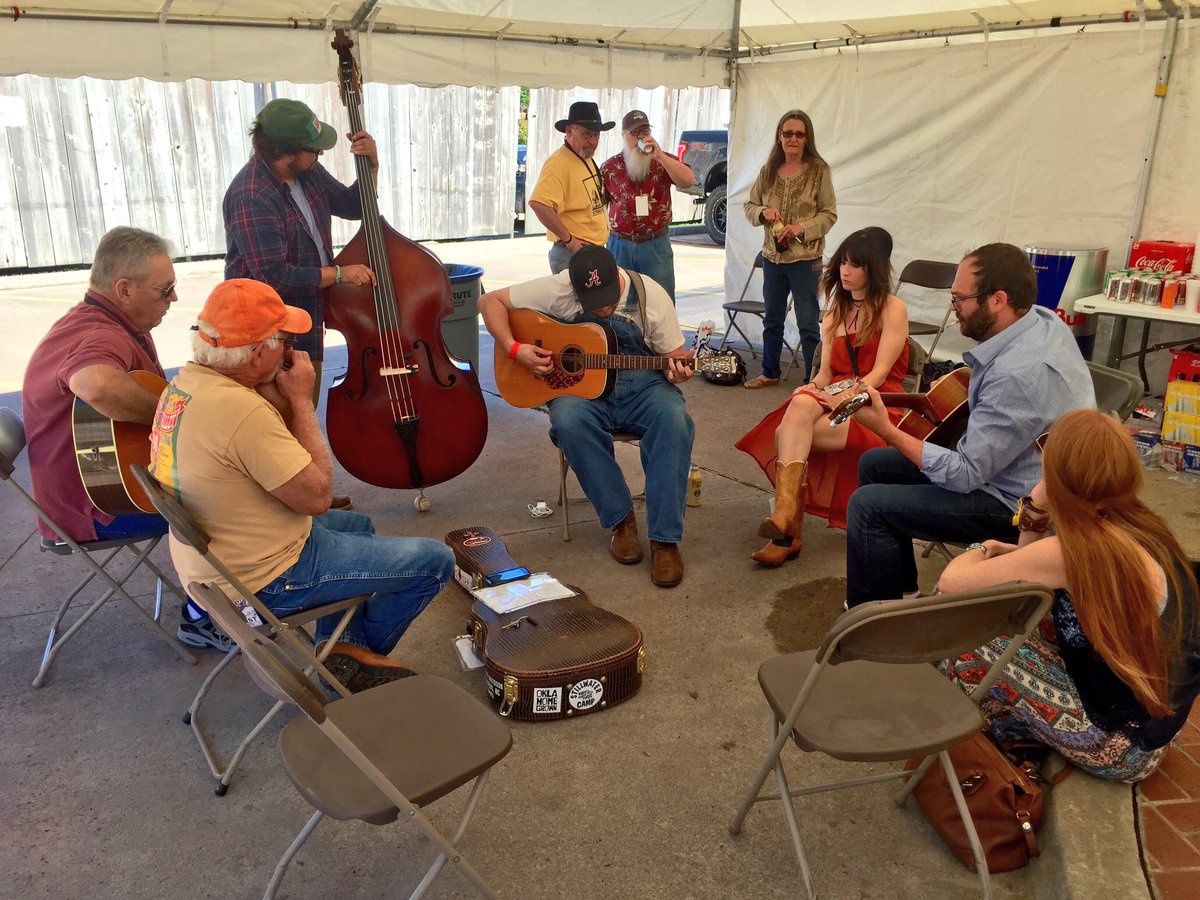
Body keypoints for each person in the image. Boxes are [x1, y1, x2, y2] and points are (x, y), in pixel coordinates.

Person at [149, 278, 454, 690]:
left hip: (216, 569)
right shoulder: (241, 412)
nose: (292, 349)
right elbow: (316, 495)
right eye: (283, 341)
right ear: (258, 352)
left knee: (358, 527)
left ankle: (341, 648)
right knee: (434, 561)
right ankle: (341, 669)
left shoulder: (187, 383)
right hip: (267, 579)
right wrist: (299, 400)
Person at [937, 409, 1200, 782]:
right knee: (1016, 621)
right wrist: (1034, 515)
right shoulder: (1139, 525)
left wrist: (982, 545)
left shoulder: (1072, 552)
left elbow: (951, 583)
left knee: (958, 629)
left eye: (1045, 448)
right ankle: (1001, 727)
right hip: (1149, 733)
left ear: (1059, 473)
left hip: (1119, 749)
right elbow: (1032, 576)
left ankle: (967, 736)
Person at [845, 242, 1095, 607]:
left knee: (869, 505)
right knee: (875, 465)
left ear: (998, 300)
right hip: (1028, 472)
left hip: (1026, 507)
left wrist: (885, 428)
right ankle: (898, 592)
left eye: (959, 299)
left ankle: (873, 625)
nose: (953, 309)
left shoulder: (1017, 375)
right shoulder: (1041, 318)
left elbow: (966, 474)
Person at [21, 226, 230, 653]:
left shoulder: (109, 320)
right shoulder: (101, 334)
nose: (173, 299)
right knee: (233, 504)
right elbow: (97, 386)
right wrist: (172, 420)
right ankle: (202, 618)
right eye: (165, 289)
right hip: (97, 507)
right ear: (124, 289)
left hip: (95, 490)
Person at [478, 246, 695, 587]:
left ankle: (664, 540)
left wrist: (679, 371)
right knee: (568, 421)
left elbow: (674, 358)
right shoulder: (559, 287)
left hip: (643, 385)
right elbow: (488, 301)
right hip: (582, 390)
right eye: (593, 302)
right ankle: (621, 520)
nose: (603, 308)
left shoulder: (650, 295)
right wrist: (514, 349)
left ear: (617, 277)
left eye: (608, 298)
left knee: (674, 418)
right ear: (573, 287)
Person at [222, 98, 375, 510]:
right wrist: (339, 275)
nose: (320, 155)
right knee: (280, 416)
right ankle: (292, 506)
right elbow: (272, 275)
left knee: (303, 406)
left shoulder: (303, 170)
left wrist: (371, 166)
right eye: (314, 150)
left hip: (305, 312)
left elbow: (352, 205)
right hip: (267, 325)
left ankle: (307, 495)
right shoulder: (251, 195)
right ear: (285, 153)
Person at [735, 227, 908, 566]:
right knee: (800, 401)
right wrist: (813, 388)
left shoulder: (893, 308)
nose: (844, 271)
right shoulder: (835, 311)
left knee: (788, 433)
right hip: (835, 396)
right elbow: (826, 374)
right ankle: (786, 520)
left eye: (855, 265)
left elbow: (878, 376)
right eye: (842, 262)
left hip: (875, 403)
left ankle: (788, 528)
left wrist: (835, 395)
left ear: (874, 268)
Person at [742, 109, 837, 389]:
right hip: (773, 258)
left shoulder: (819, 171)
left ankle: (813, 380)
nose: (793, 138)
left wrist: (803, 228)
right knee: (772, 318)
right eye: (787, 133)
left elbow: (829, 214)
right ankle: (770, 371)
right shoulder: (768, 170)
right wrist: (762, 213)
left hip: (806, 259)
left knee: (808, 323)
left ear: (807, 139)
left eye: (799, 134)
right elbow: (749, 206)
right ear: (779, 137)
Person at [600, 109, 695, 302]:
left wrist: (660, 156)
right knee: (620, 303)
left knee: (661, 302)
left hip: (655, 243)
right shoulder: (609, 167)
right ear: (624, 135)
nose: (641, 138)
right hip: (620, 244)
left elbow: (688, 180)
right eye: (635, 133)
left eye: (645, 131)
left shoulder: (662, 160)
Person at [528, 101, 615, 274]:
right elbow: (539, 204)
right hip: (573, 254)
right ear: (569, 131)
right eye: (587, 135)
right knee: (575, 302)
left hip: (589, 252)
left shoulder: (583, 156)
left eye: (596, 135)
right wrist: (570, 240)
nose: (592, 142)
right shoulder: (558, 164)